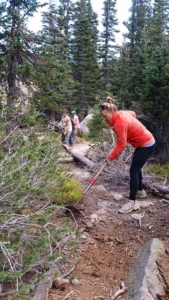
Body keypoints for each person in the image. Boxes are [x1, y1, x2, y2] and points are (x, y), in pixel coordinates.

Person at [99, 97, 155, 214]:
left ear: (111, 112)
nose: (104, 119)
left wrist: (110, 158)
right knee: (136, 167)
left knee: (133, 170)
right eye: (102, 117)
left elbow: (121, 145)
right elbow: (133, 113)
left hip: (146, 144)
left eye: (105, 116)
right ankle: (140, 191)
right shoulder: (120, 114)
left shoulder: (119, 123)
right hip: (144, 142)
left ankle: (132, 202)